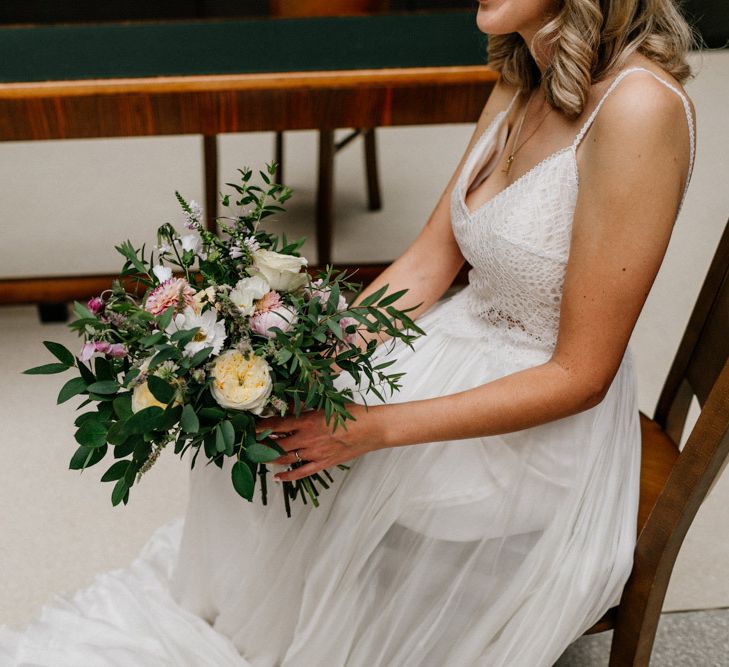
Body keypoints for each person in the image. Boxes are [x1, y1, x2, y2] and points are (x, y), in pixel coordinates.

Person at [0, 0, 697, 665]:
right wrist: (308, 349)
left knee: (320, 457)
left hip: (538, 427)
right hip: (459, 339)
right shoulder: (521, 78)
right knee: (256, 420)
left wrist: (372, 426)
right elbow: (427, 263)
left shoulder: (638, 108)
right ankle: (263, 616)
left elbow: (580, 376)